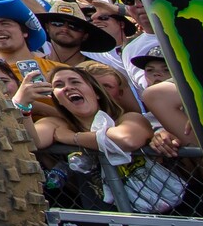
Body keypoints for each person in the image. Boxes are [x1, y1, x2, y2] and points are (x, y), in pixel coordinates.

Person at [30, 64, 184, 214]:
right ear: (58, 100)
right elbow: (33, 141)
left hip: (169, 213)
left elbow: (127, 140)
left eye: (75, 82)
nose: (68, 87)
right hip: (106, 219)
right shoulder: (57, 124)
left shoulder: (129, 118)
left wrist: (72, 137)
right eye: (59, 85)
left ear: (96, 92)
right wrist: (23, 104)